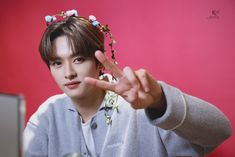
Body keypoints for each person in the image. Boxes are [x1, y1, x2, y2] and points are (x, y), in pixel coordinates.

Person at [24, 9, 232, 157]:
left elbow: (221, 130)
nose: (68, 73)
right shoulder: (48, 114)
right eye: (57, 63)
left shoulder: (142, 101)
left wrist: (160, 101)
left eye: (79, 59)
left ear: (99, 62)